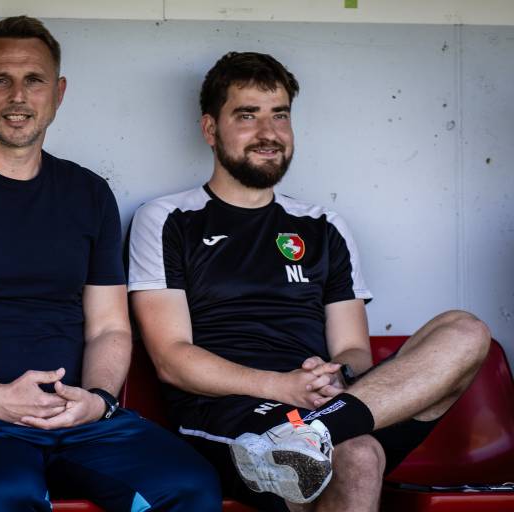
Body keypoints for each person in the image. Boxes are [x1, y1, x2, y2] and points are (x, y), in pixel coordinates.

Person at [0, 16, 220, 512]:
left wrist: (96, 400)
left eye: (34, 80)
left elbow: (109, 328)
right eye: (0, 80)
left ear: (58, 92)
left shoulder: (89, 194)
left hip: (76, 420)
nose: (18, 96)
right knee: (2, 494)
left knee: (190, 486)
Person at [127, 51, 491, 512]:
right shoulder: (168, 219)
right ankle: (311, 435)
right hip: (230, 413)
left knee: (465, 330)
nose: (269, 133)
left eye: (280, 115)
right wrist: (283, 387)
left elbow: (353, 351)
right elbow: (172, 359)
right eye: (247, 115)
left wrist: (334, 378)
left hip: (328, 405)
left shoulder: (324, 225)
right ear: (210, 129)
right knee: (358, 455)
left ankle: (314, 433)